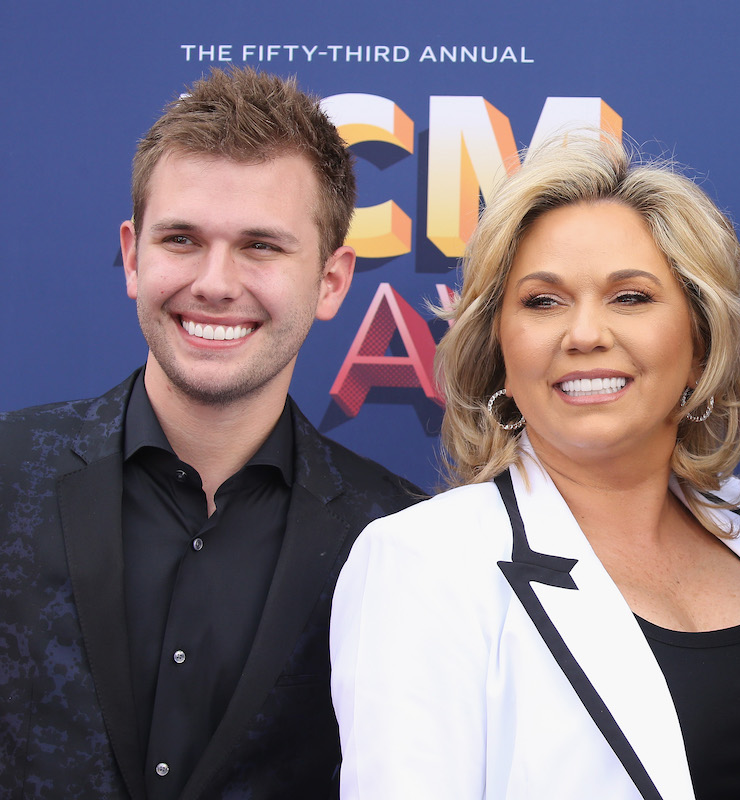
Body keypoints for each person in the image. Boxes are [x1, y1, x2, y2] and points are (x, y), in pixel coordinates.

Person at [330, 134, 740, 799]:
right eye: (543, 301)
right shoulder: (422, 562)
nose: (584, 333)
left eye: (631, 297)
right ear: (498, 346)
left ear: (701, 342)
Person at [0, 67, 423, 799]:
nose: (216, 282)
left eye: (261, 246)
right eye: (183, 239)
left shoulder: (400, 541)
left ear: (331, 280)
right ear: (133, 256)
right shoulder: (7, 476)